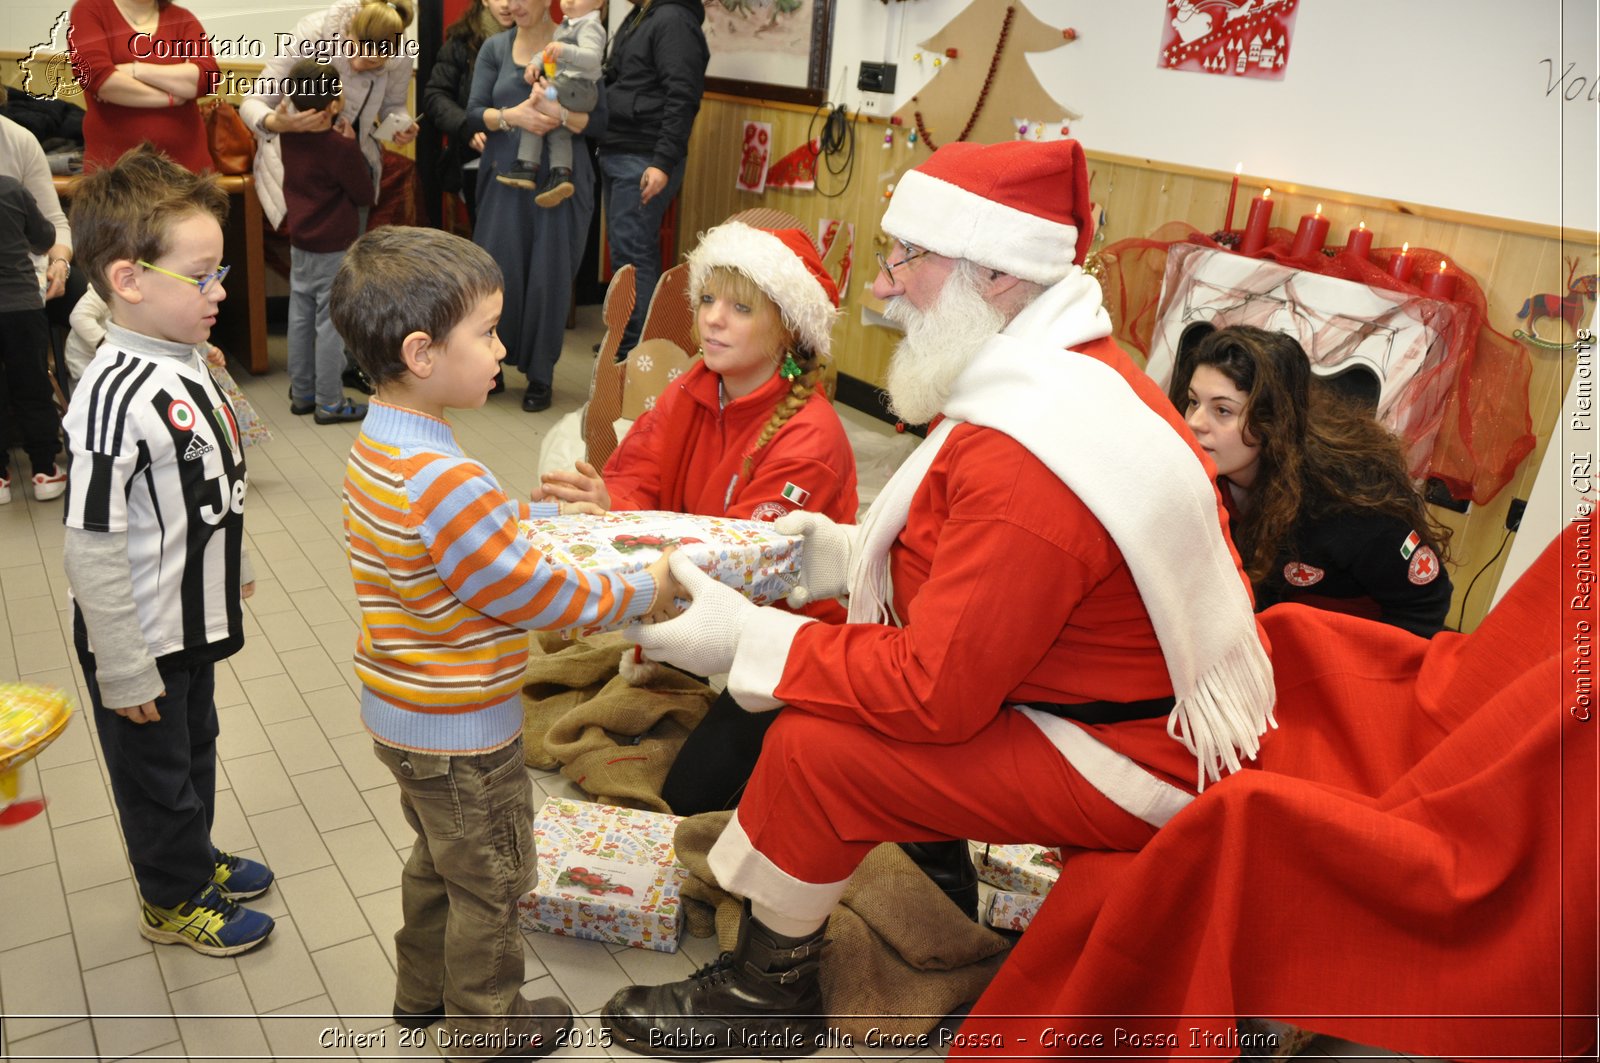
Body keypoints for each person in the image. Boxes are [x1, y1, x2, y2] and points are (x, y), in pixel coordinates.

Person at [600, 138, 1275, 1052]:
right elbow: (974, 563)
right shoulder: (1062, 368)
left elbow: (936, 690)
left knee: (812, 747)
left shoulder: (1034, 449)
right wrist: (840, 556)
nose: (882, 287)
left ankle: (765, 1002)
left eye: (905, 259)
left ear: (995, 273)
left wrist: (747, 640)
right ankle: (911, 889)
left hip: (1130, 754)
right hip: (1110, 708)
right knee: (821, 722)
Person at [330, 225, 678, 1060]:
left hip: (402, 714)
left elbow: (475, 536)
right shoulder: (443, 476)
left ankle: (422, 995)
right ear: (421, 352)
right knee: (492, 878)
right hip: (463, 730)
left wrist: (553, 517)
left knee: (437, 860)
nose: (502, 347)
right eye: (485, 332)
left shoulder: (384, 443)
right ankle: (486, 1024)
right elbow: (530, 590)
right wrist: (643, 589)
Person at [535, 221, 859, 816]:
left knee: (689, 800)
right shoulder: (696, 385)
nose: (712, 318)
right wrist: (610, 505)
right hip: (695, 608)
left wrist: (638, 578)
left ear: (788, 328)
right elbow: (638, 475)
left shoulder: (809, 440)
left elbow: (740, 567)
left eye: (740, 307)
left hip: (784, 643)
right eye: (708, 298)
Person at [61, 145, 273, 957]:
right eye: (203, 277)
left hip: (190, 617)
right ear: (128, 279)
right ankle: (171, 895)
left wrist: (237, 567)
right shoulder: (113, 395)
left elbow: (218, 475)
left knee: (194, 746)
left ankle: (194, 856)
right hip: (140, 635)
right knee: (154, 774)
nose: (221, 291)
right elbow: (92, 544)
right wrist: (120, 664)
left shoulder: (187, 363)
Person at [1170, 322, 1454, 636]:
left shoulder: (1349, 502)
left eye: (1222, 410)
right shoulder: (1195, 472)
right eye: (1193, 401)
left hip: (1348, 646)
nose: (1194, 422)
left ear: (1272, 422)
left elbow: (1426, 603)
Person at [468, 0, 600, 412]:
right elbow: (474, 112)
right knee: (496, 272)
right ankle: (495, 364)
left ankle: (541, 374)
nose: (512, 4)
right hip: (505, 177)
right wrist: (514, 117)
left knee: (550, 275)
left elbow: (602, 121)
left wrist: (560, 114)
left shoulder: (577, 44)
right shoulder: (494, 48)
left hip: (561, 182)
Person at [239, 0, 420, 234]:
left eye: (372, 63)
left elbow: (393, 105)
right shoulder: (312, 32)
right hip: (298, 163)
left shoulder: (401, 53)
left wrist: (400, 124)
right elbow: (254, 101)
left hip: (353, 159)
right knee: (307, 252)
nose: (356, 65)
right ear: (352, 26)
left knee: (351, 248)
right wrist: (275, 122)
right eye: (354, 51)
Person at [597, 0, 709, 360]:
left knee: (635, 253)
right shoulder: (642, 14)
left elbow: (683, 95)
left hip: (644, 155)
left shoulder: (673, 19)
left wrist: (662, 161)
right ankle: (626, 338)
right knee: (624, 253)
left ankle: (636, 347)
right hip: (620, 147)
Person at [279, 59, 374, 425]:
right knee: (331, 324)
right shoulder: (340, 147)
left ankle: (302, 393)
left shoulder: (290, 135)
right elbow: (363, 193)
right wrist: (353, 148)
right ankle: (330, 401)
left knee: (300, 317)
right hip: (334, 245)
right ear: (334, 104)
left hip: (301, 241)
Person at [67, 0, 220, 173]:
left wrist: (136, 69)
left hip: (188, 170)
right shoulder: (89, 9)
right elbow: (99, 78)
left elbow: (209, 78)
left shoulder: (182, 18)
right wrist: (171, 97)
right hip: (116, 175)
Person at [496, 0, 604, 207]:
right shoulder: (569, 24)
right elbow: (546, 52)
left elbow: (593, 59)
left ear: (598, 2)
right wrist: (535, 64)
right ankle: (561, 174)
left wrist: (564, 50)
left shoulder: (590, 26)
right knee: (559, 129)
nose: (570, 1)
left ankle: (527, 165)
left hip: (579, 88)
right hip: (568, 88)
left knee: (536, 104)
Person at [0, 173, 66, 504]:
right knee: (33, 387)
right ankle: (44, 470)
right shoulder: (10, 188)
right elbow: (44, 237)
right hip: (21, 306)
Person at [420, 0, 515, 227]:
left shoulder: (532, 40)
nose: (507, 5)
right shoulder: (462, 41)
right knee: (486, 232)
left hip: (522, 153)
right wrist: (467, 127)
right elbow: (436, 96)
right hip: (474, 155)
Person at [0, 111, 72, 304]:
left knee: (88, 294)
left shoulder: (19, 139)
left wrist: (60, 263)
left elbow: (54, 223)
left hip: (21, 274)